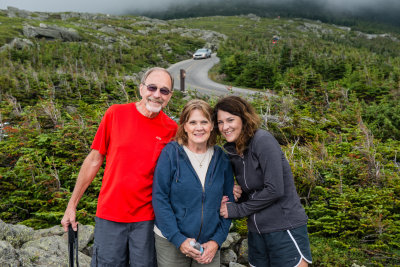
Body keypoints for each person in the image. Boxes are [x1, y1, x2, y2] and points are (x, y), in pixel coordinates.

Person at [61, 67, 178, 267]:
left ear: (169, 96)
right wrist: (71, 206)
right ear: (141, 89)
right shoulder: (116, 113)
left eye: (164, 91)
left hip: (148, 219)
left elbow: (179, 174)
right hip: (110, 215)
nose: (157, 95)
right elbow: (94, 160)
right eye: (152, 88)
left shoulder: (171, 129)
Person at [214, 96, 312, 267]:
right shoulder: (233, 151)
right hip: (256, 232)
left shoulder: (262, 140)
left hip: (284, 228)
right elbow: (253, 190)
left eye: (230, 120)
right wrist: (236, 192)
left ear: (244, 118)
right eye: (220, 122)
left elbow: (275, 189)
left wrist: (237, 210)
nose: (225, 127)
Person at [152, 99, 234, 267]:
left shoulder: (222, 158)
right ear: (184, 126)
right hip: (170, 240)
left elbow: (229, 203)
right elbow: (160, 198)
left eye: (204, 122)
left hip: (208, 244)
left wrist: (216, 241)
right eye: (193, 122)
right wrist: (178, 239)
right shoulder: (171, 153)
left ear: (212, 126)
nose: (199, 128)